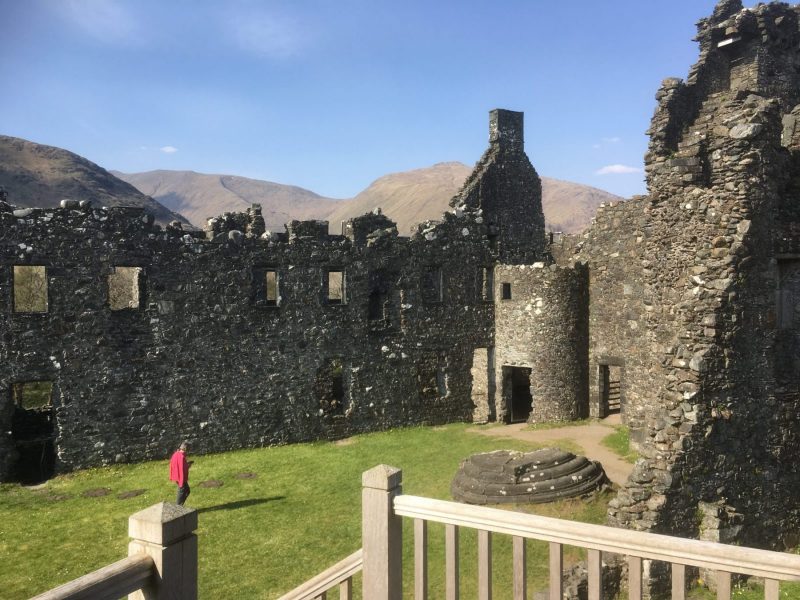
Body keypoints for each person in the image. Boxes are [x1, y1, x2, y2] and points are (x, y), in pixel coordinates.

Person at [169, 441, 193, 505]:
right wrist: (188, 466)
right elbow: (183, 470)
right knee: (182, 491)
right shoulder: (181, 457)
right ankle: (178, 507)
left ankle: (180, 505)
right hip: (180, 478)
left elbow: (176, 466)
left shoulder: (176, 454)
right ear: (185, 449)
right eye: (189, 449)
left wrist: (187, 465)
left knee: (187, 491)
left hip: (177, 476)